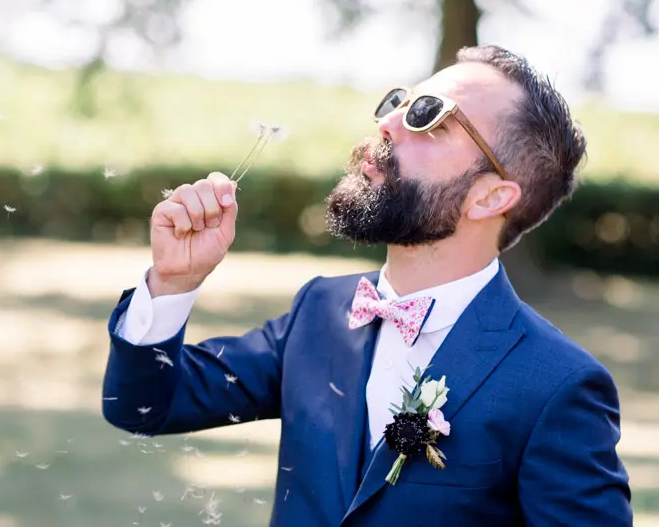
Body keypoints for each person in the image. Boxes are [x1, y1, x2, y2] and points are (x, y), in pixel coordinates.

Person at [101, 45, 632, 526]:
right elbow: (143, 404)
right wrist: (172, 281)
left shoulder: (558, 387)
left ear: (490, 198)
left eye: (430, 117)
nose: (390, 123)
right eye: (400, 101)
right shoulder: (319, 310)